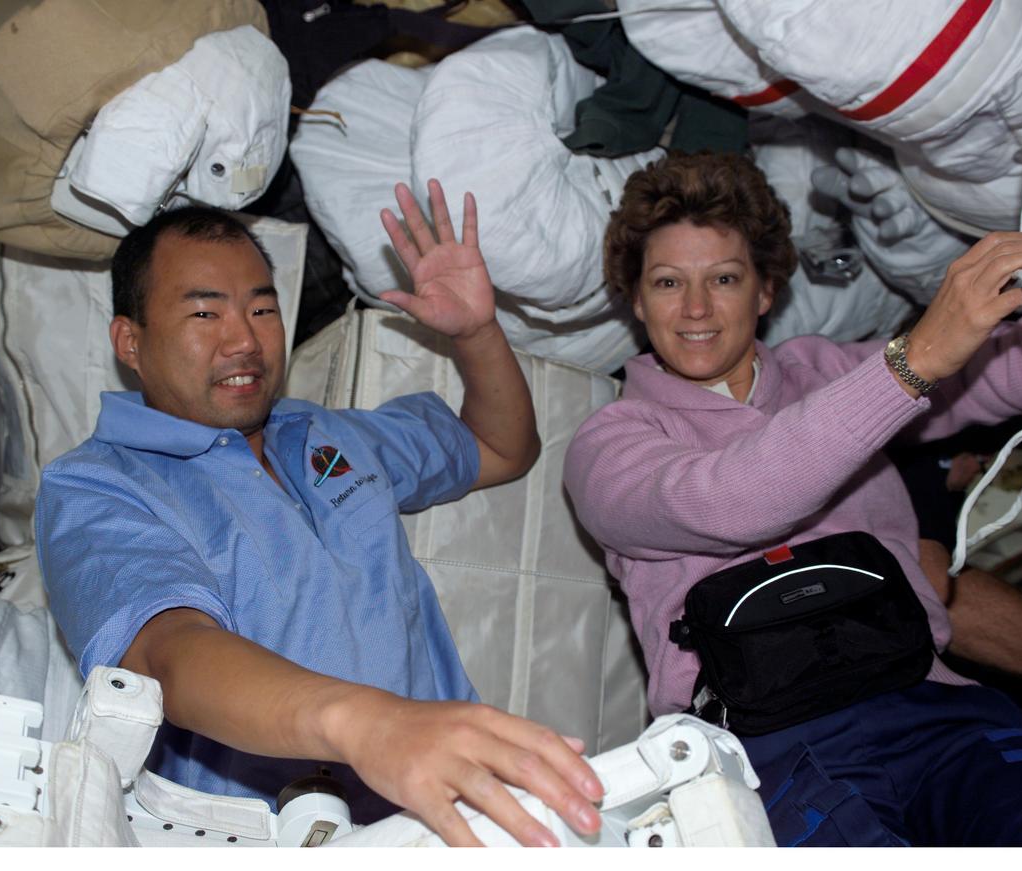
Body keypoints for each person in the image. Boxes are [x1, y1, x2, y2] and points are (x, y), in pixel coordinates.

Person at [36, 180, 604, 847]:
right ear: (130, 342)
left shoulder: (325, 433)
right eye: (205, 313)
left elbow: (502, 447)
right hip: (273, 837)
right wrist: (371, 725)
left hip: (458, 805)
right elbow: (168, 655)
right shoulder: (97, 483)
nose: (243, 340)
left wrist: (477, 333)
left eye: (262, 308)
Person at [562, 152, 1022, 846]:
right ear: (636, 299)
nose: (695, 308)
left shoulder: (826, 371)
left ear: (766, 290)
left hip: (937, 710)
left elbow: (1017, 367)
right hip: (762, 754)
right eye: (667, 282)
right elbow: (732, 501)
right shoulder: (609, 441)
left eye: (724, 278)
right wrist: (913, 361)